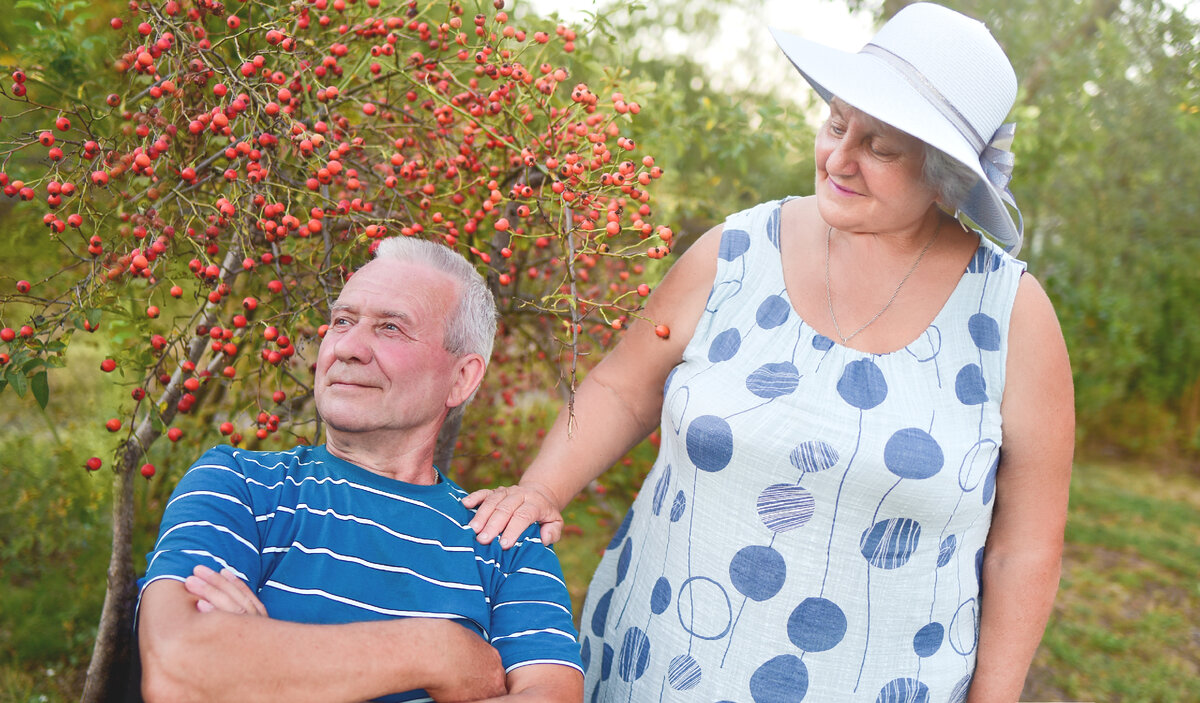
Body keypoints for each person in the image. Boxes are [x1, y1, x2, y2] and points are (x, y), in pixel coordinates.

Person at [464, 3, 1074, 702]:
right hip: (653, 664)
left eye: (879, 147)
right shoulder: (735, 251)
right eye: (837, 123)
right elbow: (624, 387)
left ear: (945, 175)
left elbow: (1022, 548)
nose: (839, 158)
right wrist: (541, 488)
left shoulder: (1012, 317)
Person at [137, 236, 583, 703]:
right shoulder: (240, 485)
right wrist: (438, 651)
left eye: (390, 328)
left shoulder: (504, 540)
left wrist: (265, 669)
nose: (347, 347)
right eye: (342, 321)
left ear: (462, 378)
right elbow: (181, 671)